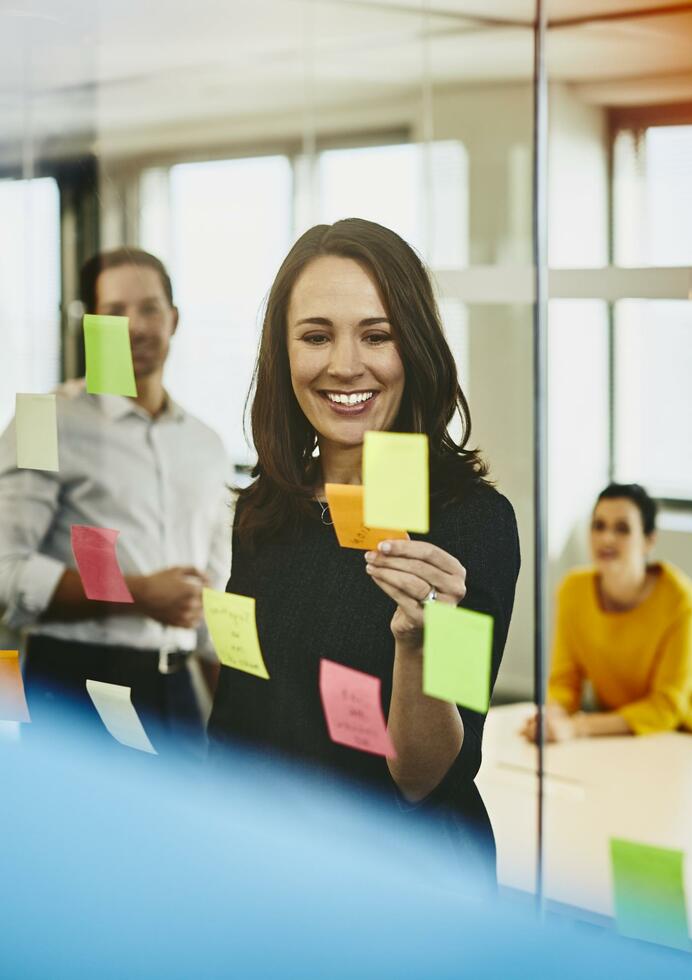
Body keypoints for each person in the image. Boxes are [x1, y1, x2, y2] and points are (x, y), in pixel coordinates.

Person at [206, 218, 519, 877]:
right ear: (282, 354)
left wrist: (418, 643)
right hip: (266, 871)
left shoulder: (469, 526)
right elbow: (243, 714)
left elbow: (429, 778)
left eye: (376, 335)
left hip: (399, 884)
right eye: (316, 336)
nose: (345, 364)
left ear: (417, 348)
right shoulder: (266, 508)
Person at [0, 247, 233, 757]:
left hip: (178, 690)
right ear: (90, 324)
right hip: (75, 684)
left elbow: (212, 600)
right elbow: (6, 572)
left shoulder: (206, 444)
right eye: (115, 311)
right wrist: (139, 594)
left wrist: (236, 724)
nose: (135, 326)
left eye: (149, 308)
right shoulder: (46, 419)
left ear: (174, 319)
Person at [523, 483, 692, 744]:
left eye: (622, 529)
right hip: (633, 739)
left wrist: (577, 727)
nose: (607, 538)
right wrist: (551, 717)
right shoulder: (573, 590)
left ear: (648, 541)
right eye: (599, 526)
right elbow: (565, 682)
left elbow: (666, 707)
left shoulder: (680, 598)